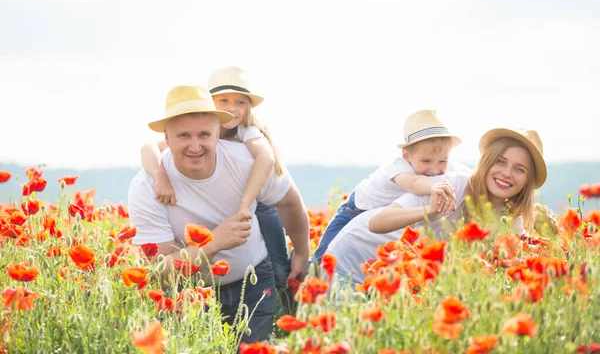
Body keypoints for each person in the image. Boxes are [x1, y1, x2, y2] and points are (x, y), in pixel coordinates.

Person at [129, 84, 310, 343]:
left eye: (204, 135)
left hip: (254, 283)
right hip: (188, 293)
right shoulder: (146, 186)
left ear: (218, 134)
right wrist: (213, 243)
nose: (195, 146)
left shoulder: (246, 163)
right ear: (166, 139)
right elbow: (159, 270)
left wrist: (302, 252)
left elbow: (290, 203)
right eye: (183, 136)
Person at [140, 66, 292, 300]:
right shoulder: (147, 182)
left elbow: (267, 158)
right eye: (224, 100)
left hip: (257, 198)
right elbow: (149, 147)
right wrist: (160, 176)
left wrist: (245, 204)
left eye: (240, 102)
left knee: (276, 254)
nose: (232, 108)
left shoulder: (248, 134)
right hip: (203, 267)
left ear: (216, 127)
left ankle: (285, 292)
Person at [326, 128, 546, 286]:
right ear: (486, 162)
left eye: (519, 169)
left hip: (391, 278)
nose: (507, 173)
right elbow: (377, 222)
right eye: (500, 161)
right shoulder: (451, 186)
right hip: (349, 263)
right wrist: (430, 210)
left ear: (527, 180)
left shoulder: (508, 218)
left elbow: (524, 256)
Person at [313, 109, 468, 262]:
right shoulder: (397, 166)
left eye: (443, 161)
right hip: (357, 209)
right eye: (426, 161)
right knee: (324, 254)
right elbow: (415, 184)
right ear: (407, 155)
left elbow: (469, 175)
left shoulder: (445, 168)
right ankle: (303, 279)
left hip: (386, 212)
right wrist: (437, 187)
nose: (435, 169)